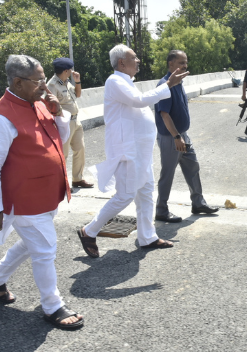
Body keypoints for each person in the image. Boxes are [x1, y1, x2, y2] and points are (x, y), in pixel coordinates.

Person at [77, 44, 188, 258]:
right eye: (134, 58)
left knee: (145, 193)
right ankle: (89, 231)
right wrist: (168, 83)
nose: (138, 61)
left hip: (140, 151)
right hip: (128, 151)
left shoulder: (127, 82)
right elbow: (139, 102)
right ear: (121, 62)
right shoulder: (115, 81)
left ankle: (148, 237)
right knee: (125, 195)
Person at [0, 54, 84, 330]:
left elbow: (58, 142)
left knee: (30, 244)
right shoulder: (4, 115)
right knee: (45, 248)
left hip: (45, 193)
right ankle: (52, 306)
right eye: (38, 81)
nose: (44, 86)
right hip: (22, 198)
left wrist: (58, 113)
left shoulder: (39, 103)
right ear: (17, 82)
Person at [154, 50, 219, 223]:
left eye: (186, 62)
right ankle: (161, 209)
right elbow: (164, 115)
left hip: (182, 135)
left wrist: (181, 135)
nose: (185, 66)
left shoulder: (178, 82)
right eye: (181, 63)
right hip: (171, 137)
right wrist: (176, 137)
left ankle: (198, 203)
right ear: (171, 64)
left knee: (192, 167)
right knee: (167, 173)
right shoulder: (165, 85)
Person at [47, 57, 93, 188]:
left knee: (80, 149)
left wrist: (77, 81)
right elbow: (50, 106)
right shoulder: (52, 85)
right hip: (64, 123)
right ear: (66, 70)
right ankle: (62, 183)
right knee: (64, 154)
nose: (72, 71)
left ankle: (77, 179)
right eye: (70, 69)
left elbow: (77, 95)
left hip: (76, 120)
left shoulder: (66, 82)